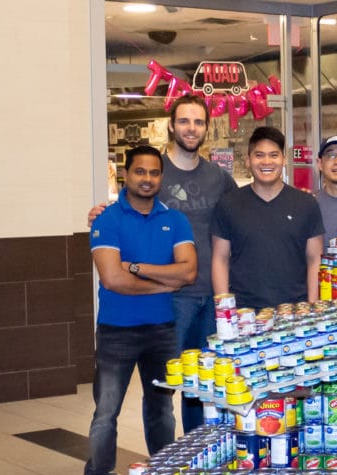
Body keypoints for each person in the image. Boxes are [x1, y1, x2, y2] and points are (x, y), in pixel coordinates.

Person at [88, 95, 235, 434]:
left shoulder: (220, 178)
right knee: (163, 390)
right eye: (184, 121)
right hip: (169, 297)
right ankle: (164, 461)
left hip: (211, 297)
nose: (191, 128)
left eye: (198, 122)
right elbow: (123, 209)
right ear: (171, 124)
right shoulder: (153, 171)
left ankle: (199, 451)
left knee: (204, 386)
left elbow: (236, 223)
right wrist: (99, 213)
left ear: (207, 128)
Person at [86, 145, 197, 475]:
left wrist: (136, 267)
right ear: (126, 175)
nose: (147, 179)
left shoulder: (176, 220)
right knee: (106, 410)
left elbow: (188, 272)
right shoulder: (107, 220)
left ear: (161, 178)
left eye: (153, 173)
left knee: (160, 409)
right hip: (117, 330)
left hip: (162, 330)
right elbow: (112, 279)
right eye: (139, 172)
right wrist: (164, 282)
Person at [211, 126, 323, 308]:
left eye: (274, 155)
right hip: (245, 313)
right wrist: (225, 311)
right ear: (248, 160)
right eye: (259, 155)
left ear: (284, 160)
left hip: (295, 314)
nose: (266, 162)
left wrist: (312, 308)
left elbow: (314, 260)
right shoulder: (228, 204)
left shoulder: (306, 203)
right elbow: (220, 259)